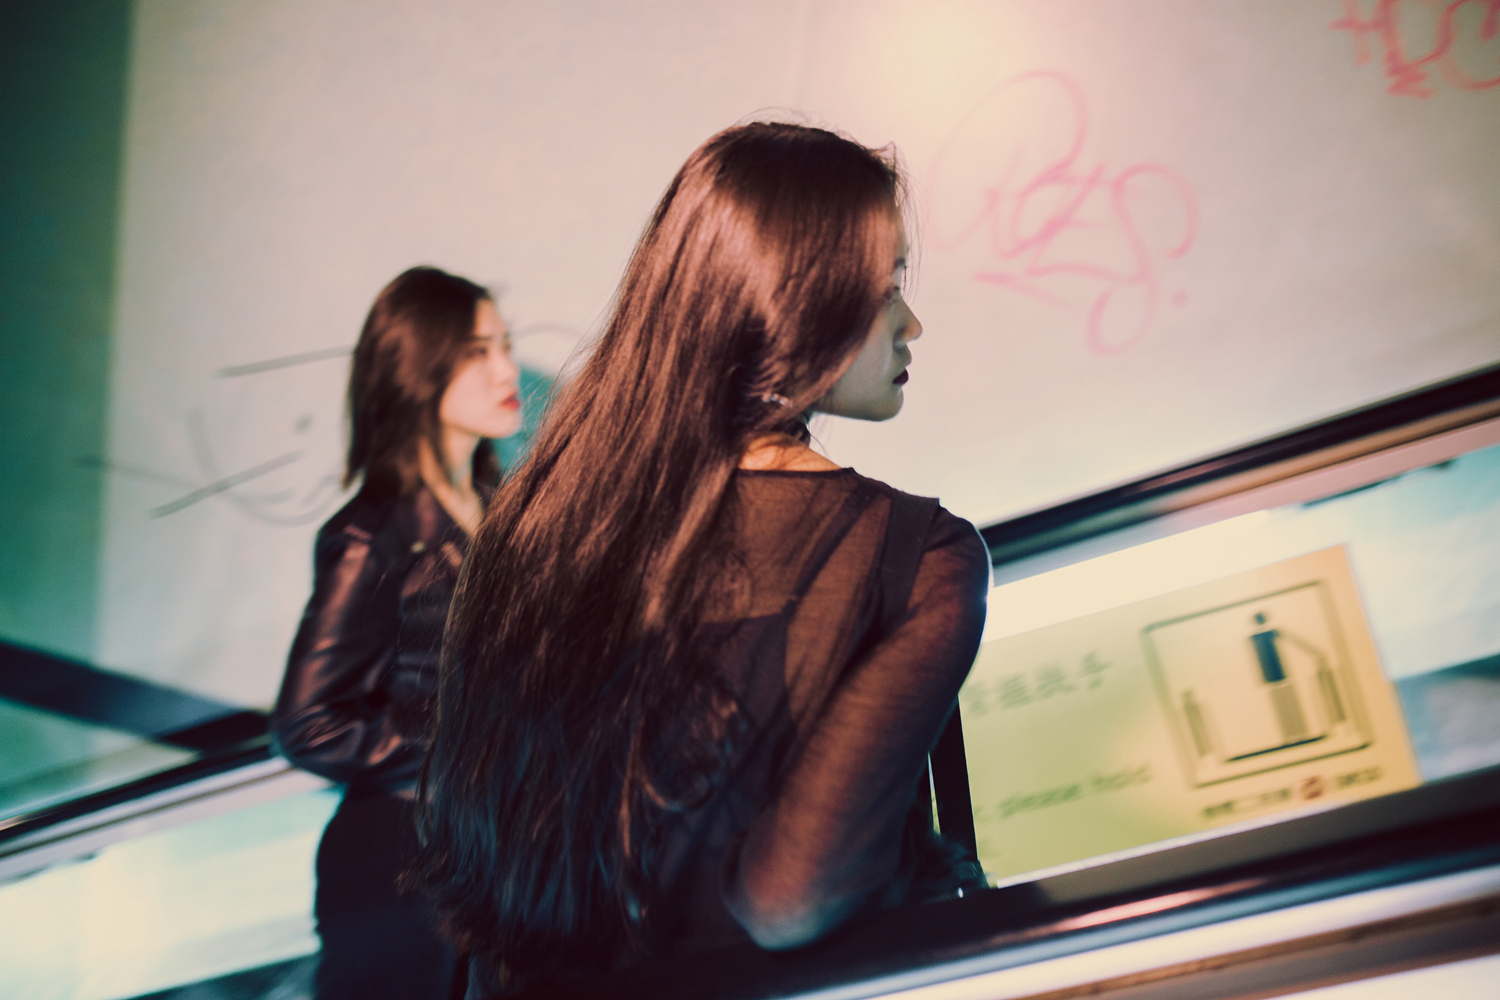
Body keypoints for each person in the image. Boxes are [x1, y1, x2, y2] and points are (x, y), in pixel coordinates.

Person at [415, 123, 989, 994]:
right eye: (884, 288)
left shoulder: (533, 531)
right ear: (797, 304)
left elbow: (478, 879)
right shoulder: (920, 559)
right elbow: (787, 901)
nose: (911, 322)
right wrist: (928, 864)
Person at [273, 266, 522, 1000]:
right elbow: (307, 724)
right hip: (397, 865)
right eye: (477, 352)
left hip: (473, 850)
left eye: (505, 346)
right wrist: (460, 747)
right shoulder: (371, 536)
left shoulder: (493, 505)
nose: (506, 370)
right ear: (420, 368)